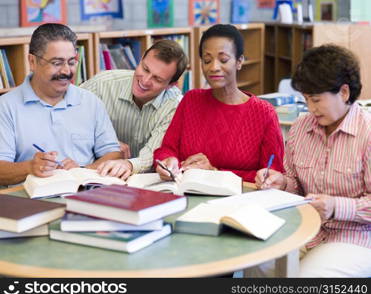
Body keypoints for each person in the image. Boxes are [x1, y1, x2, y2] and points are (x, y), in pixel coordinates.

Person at [255, 44, 371, 277]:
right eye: (306, 99)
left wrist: (336, 206)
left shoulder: (367, 134)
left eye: (316, 100)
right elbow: (294, 182)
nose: (310, 109)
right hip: (306, 230)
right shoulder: (301, 127)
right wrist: (281, 182)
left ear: (344, 93)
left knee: (307, 279)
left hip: (355, 238)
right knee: (255, 259)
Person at [154, 24, 284, 182]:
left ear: (239, 62)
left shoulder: (264, 113)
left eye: (223, 60)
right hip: (188, 192)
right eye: (207, 60)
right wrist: (169, 161)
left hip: (242, 201)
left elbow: (272, 176)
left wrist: (215, 172)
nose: (214, 67)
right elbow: (167, 149)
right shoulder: (191, 100)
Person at [0, 23, 121, 186]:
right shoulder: (5, 106)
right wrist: (29, 167)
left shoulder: (91, 102)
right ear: (32, 61)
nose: (66, 71)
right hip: (30, 201)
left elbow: (113, 154)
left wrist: (83, 169)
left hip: (85, 195)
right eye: (57, 63)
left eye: (71, 62)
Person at [80, 40, 188, 180]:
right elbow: (67, 117)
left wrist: (128, 165)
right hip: (94, 174)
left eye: (157, 79)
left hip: (146, 182)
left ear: (171, 85)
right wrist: (105, 141)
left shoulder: (175, 105)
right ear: (141, 59)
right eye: (145, 69)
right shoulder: (102, 84)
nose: (145, 81)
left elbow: (153, 153)